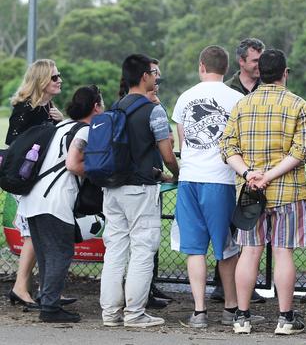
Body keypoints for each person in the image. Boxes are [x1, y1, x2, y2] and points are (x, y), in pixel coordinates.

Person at [220, 49, 306, 335]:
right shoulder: (299, 105)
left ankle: (241, 317)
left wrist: (250, 174)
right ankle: (285, 318)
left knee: (249, 252)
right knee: (283, 252)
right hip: (288, 192)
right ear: (285, 72)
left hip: (250, 193)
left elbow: (227, 148)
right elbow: (301, 151)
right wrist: (270, 176)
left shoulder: (242, 105)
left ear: (260, 72)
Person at [172, 45, 265, 328]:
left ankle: (199, 311)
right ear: (227, 69)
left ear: (202, 66)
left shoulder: (185, 97)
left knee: (194, 248)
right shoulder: (236, 98)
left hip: (189, 178)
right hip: (221, 180)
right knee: (227, 248)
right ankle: (231, 308)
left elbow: (183, 139)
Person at [99, 54, 179, 328]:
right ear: (145, 76)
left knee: (115, 250)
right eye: (153, 74)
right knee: (143, 249)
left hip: (112, 188)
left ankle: (110, 313)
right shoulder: (152, 110)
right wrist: (177, 174)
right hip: (140, 189)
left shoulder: (115, 107)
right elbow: (167, 154)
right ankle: (134, 313)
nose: (156, 78)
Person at [17, 85, 104, 322]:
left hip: (33, 198)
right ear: (96, 107)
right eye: (102, 103)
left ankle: (48, 301)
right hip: (54, 201)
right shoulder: (85, 131)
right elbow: (74, 165)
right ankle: (50, 308)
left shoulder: (62, 125)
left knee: (47, 254)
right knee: (60, 252)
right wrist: (100, 172)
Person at [4, 59, 65, 310]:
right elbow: (14, 143)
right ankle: (21, 287)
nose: (59, 79)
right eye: (54, 77)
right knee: (32, 234)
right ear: (41, 80)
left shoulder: (47, 108)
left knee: (37, 234)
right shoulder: (26, 109)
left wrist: (60, 121)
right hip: (26, 178)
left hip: (41, 180)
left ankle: (43, 289)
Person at [213, 37, 267, 305]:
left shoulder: (266, 87)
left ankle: (246, 286)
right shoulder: (226, 90)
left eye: (261, 60)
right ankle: (222, 285)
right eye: (255, 60)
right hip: (229, 167)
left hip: (257, 170)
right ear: (241, 61)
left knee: (249, 227)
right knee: (225, 228)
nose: (259, 65)